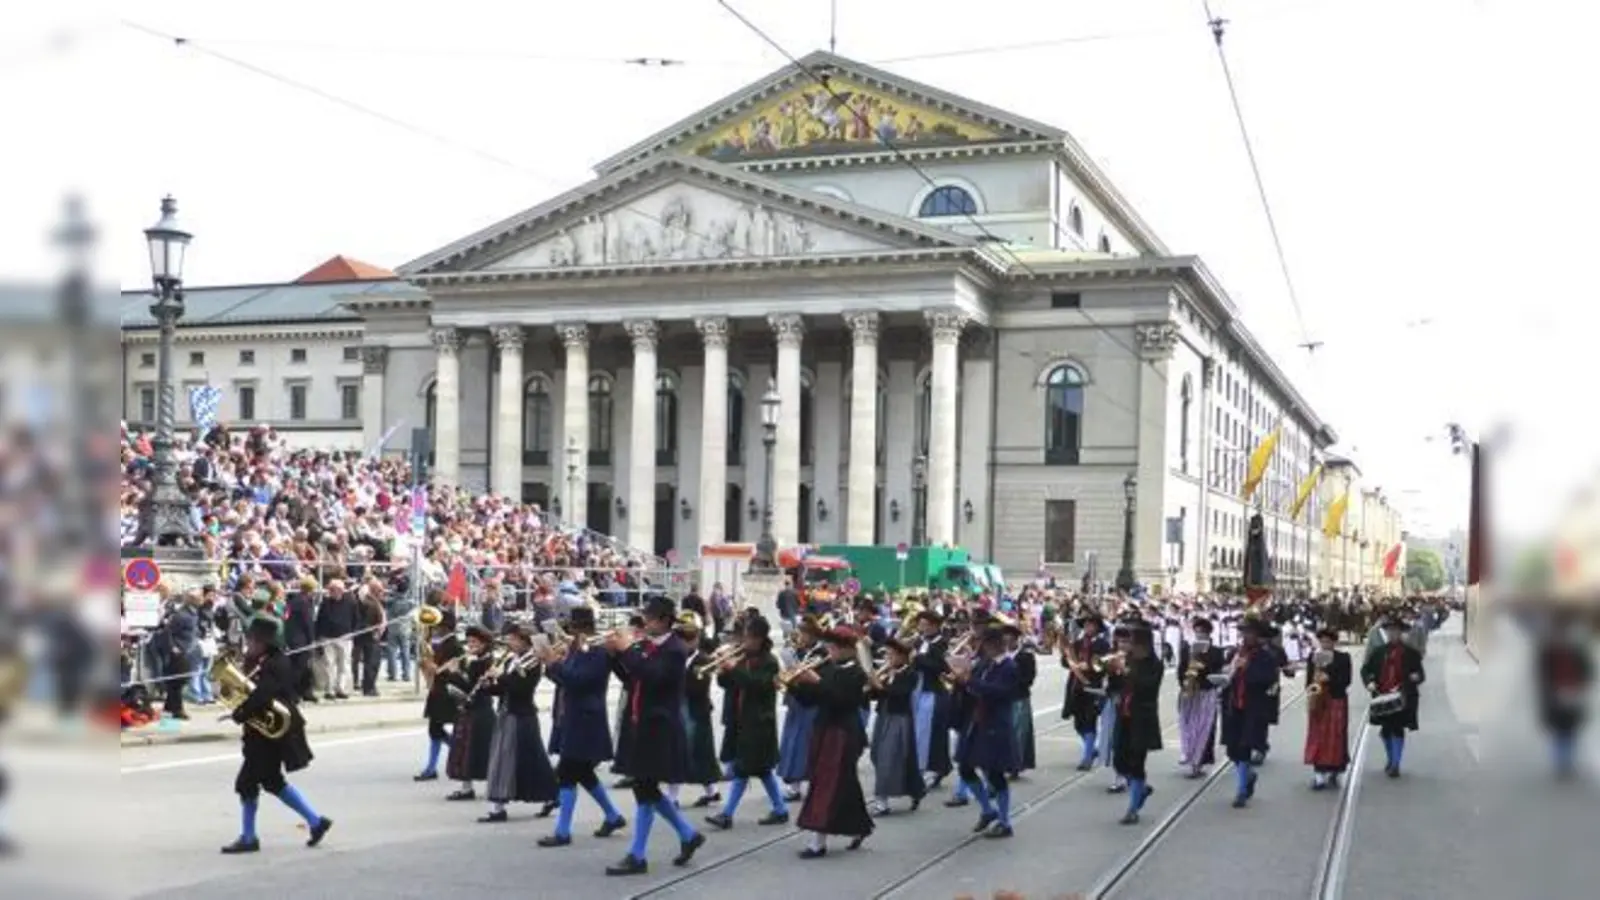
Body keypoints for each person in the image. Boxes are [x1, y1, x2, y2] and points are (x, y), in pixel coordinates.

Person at [603, 595, 706, 876]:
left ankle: (638, 854)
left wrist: (626, 650)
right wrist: (615, 656)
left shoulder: (675, 649)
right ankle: (686, 834)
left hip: (660, 727)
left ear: (663, 620)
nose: (644, 622)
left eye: (649, 617)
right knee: (644, 787)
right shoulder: (648, 646)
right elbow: (632, 678)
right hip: (642, 725)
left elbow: (652, 676)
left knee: (645, 787)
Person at [220, 615, 333, 854]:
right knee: (271, 782)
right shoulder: (265, 661)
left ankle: (249, 838)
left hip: (270, 735)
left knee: (248, 783)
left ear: (263, 642)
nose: (249, 644)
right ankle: (315, 822)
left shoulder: (275, 663)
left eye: (252, 640)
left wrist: (240, 713)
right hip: (264, 733)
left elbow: (263, 695)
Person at [537, 606, 627, 848]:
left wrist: (555, 664)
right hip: (573, 716)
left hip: (586, 718)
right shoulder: (578, 648)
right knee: (583, 773)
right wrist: (550, 665)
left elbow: (580, 681)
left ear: (580, 627)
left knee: (568, 772)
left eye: (572, 628)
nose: (570, 633)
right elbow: (564, 680)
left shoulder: (596, 651)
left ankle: (563, 831)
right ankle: (612, 816)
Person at [786, 625, 874, 858]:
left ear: (847, 649)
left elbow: (843, 700)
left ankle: (818, 842)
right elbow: (812, 700)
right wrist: (794, 684)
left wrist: (817, 682)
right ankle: (859, 825)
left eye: (833, 648)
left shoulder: (856, 673)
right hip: (823, 729)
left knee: (827, 782)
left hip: (843, 732)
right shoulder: (828, 668)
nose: (829, 652)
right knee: (843, 783)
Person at [706, 615, 789, 829]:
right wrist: (723, 670)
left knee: (743, 769)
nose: (745, 641)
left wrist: (734, 668)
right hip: (741, 720)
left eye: (749, 637)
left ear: (759, 639)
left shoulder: (769, 662)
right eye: (744, 637)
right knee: (762, 770)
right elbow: (729, 684)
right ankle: (780, 809)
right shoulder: (743, 657)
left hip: (759, 723)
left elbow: (756, 685)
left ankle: (726, 814)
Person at [943, 624, 1020, 838]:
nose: (982, 647)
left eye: (985, 643)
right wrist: (959, 681)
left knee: (995, 774)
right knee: (965, 767)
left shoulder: (1009, 667)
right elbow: (972, 686)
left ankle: (1004, 821)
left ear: (996, 644)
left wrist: (971, 681)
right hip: (976, 722)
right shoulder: (985, 663)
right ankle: (987, 809)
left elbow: (1000, 692)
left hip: (995, 725)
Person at [477, 625, 558, 822]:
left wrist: (500, 676)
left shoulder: (533, 662)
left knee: (530, 759)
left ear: (524, 641)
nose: (509, 643)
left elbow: (521, 689)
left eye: (513, 639)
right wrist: (487, 686)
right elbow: (503, 689)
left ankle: (549, 795)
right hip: (507, 713)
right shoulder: (511, 661)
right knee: (506, 759)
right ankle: (499, 806)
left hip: (522, 715)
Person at [1220, 618, 1278, 808]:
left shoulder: (1265, 656)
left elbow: (1269, 679)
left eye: (1250, 633)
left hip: (1252, 707)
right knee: (1232, 750)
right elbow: (1226, 675)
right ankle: (1249, 775)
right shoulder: (1234, 653)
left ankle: (1241, 790)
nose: (1246, 636)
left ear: (1258, 636)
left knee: (1244, 748)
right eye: (1244, 632)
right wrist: (1226, 672)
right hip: (1232, 706)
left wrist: (1248, 669)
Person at [1107, 624, 1163, 824]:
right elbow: (1116, 686)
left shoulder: (1155, 665)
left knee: (1136, 762)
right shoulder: (1128, 660)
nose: (1128, 646)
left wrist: (1126, 671)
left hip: (1142, 719)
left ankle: (1133, 809)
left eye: (1132, 642)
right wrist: (1112, 672)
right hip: (1124, 716)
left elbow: (1148, 687)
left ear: (1143, 645)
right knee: (1119, 760)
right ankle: (1141, 788)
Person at [866, 635, 924, 816]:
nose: (888, 658)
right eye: (887, 655)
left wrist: (879, 685)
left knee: (888, 757)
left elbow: (899, 693)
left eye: (891, 655)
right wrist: (872, 685)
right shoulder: (888, 673)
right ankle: (914, 789)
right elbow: (876, 696)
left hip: (899, 718)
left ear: (902, 656)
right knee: (877, 754)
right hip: (883, 716)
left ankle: (882, 801)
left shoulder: (910, 674)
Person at [1361, 616, 1425, 778]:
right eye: (1390, 631)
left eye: (1396, 631)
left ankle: (1395, 763)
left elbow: (1420, 674)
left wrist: (1416, 677)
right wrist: (1369, 682)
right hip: (1382, 696)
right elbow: (1365, 669)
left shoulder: (1411, 653)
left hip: (1402, 697)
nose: (1392, 634)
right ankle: (1391, 758)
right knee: (1385, 731)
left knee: (1397, 728)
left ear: (1401, 633)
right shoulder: (1379, 652)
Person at [1535, 608, 1593, 781]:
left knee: (1561, 730)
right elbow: (1586, 669)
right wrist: (1582, 684)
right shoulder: (1577, 645)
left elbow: (1542, 672)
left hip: (1557, 691)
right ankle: (1565, 763)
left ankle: (1562, 763)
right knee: (1568, 729)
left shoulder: (1549, 646)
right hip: (1571, 690)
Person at [443, 626, 500, 801]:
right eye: (468, 642)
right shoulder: (475, 660)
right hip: (470, 709)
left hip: (481, 711)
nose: (470, 645)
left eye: (474, 642)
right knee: (464, 750)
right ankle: (466, 788)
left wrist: (455, 673)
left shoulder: (486, 662)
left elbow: (471, 688)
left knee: (481, 750)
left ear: (484, 643)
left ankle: (493, 787)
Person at [674, 612, 723, 810]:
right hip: (680, 709)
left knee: (699, 754)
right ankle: (711, 792)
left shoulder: (703, 659)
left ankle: (673, 796)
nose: (685, 641)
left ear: (697, 638)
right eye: (681, 637)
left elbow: (699, 689)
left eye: (690, 637)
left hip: (696, 711)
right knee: (683, 752)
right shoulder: (677, 657)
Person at [777, 616, 826, 801]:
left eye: (803, 634)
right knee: (792, 743)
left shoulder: (820, 652)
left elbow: (816, 678)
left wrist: (798, 674)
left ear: (812, 635)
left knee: (807, 746)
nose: (800, 638)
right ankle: (794, 785)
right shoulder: (801, 650)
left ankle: (813, 784)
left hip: (811, 703)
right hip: (796, 702)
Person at [1303, 626, 1353, 790]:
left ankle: (1334, 769)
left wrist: (1329, 678)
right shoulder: (1313, 657)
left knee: (1335, 736)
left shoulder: (1343, 658)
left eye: (1328, 642)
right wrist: (1313, 690)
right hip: (1319, 702)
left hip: (1336, 700)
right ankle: (1319, 773)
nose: (1325, 645)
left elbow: (1347, 680)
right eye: (1322, 641)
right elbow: (1308, 683)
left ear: (1334, 642)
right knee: (1317, 736)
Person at [910, 609, 955, 788]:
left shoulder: (941, 643)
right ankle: (922, 766)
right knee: (918, 731)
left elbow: (941, 666)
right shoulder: (919, 641)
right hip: (918, 690)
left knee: (932, 731)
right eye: (920, 624)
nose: (922, 627)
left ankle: (935, 767)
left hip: (934, 691)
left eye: (925, 624)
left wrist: (918, 659)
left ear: (935, 626)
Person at [1176, 617, 1225, 779]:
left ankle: (1198, 762)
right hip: (1189, 693)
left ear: (1209, 634)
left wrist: (1201, 666)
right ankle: (1188, 755)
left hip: (1206, 692)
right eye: (1196, 632)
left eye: (1202, 632)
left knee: (1203, 727)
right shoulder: (1187, 650)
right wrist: (1184, 684)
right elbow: (1181, 670)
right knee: (1187, 726)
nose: (1199, 635)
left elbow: (1217, 672)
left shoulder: (1216, 652)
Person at [414, 606, 459, 782]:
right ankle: (433, 766)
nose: (434, 629)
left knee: (436, 729)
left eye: (437, 625)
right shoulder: (440, 643)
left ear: (446, 627)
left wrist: (436, 669)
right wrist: (425, 665)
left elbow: (456, 670)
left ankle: (457, 753)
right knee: (435, 729)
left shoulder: (454, 645)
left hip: (446, 692)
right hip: (437, 690)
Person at [1060, 614, 1110, 771]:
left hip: (1092, 686)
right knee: (1078, 723)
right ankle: (1092, 748)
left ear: (1097, 628)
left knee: (1090, 720)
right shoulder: (1077, 643)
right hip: (1076, 686)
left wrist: (1089, 666)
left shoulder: (1103, 645)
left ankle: (1087, 757)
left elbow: (1105, 664)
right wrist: (1068, 659)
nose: (1088, 627)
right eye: (1087, 624)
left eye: (1092, 625)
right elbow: (1065, 662)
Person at [1001, 617, 1037, 779]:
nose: (1006, 640)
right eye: (1004, 637)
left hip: (1018, 698)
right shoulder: (1000, 656)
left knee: (1018, 732)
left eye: (1009, 637)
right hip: (1002, 699)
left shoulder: (1025, 656)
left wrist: (1012, 681)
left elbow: (1029, 679)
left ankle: (1015, 765)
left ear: (1016, 639)